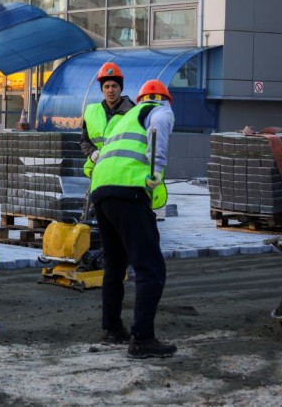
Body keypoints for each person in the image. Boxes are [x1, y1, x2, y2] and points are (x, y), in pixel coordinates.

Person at [89, 79, 176, 359]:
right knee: (151, 268)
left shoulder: (127, 117)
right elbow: (157, 131)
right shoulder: (160, 109)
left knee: (115, 264)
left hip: (101, 191)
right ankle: (142, 339)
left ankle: (112, 329)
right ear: (165, 98)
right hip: (129, 190)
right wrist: (156, 170)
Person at [80, 62, 135, 179]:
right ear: (102, 89)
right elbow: (84, 140)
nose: (110, 90)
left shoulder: (133, 113)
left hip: (123, 173)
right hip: (97, 171)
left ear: (120, 88)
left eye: (114, 86)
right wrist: (92, 153)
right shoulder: (91, 111)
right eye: (106, 86)